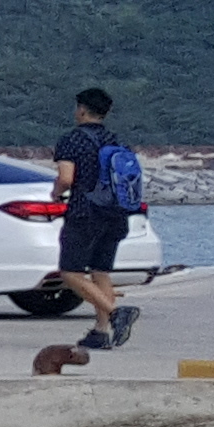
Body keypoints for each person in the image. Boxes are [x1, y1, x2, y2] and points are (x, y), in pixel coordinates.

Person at [56, 86, 148, 350]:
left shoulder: (72, 140)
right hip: (116, 214)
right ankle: (101, 330)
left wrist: (56, 192)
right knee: (100, 271)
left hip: (85, 213)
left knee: (70, 271)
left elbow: (66, 178)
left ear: (82, 109)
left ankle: (116, 313)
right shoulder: (116, 140)